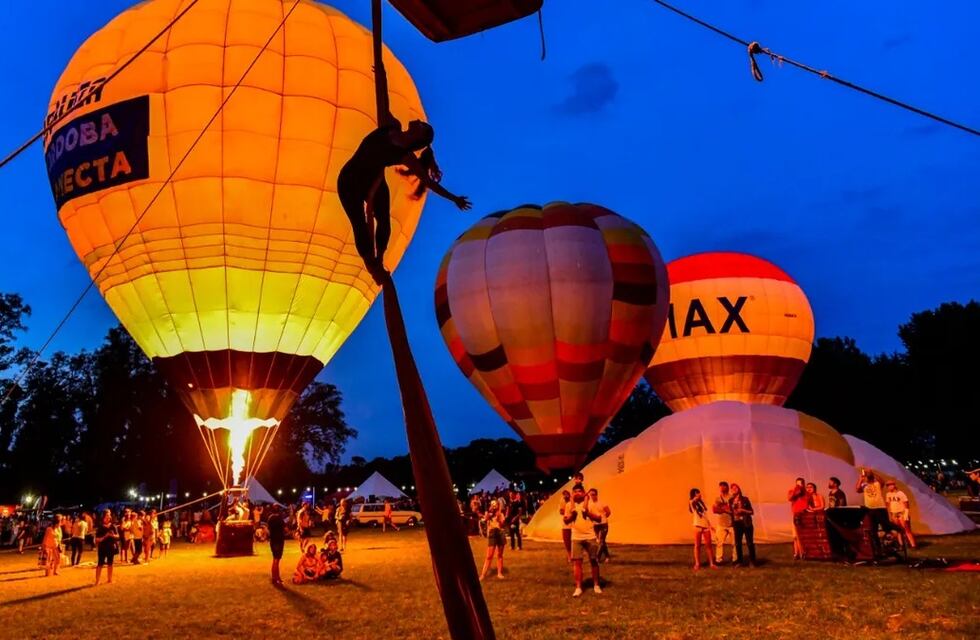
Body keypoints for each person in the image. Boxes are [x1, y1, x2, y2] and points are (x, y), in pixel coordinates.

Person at [337, 103, 470, 284]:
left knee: (384, 218)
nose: (419, 121)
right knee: (359, 223)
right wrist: (381, 74)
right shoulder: (391, 126)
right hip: (350, 180)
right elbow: (383, 100)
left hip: (373, 181)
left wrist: (454, 198)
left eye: (423, 125)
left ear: (419, 136)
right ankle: (370, 262)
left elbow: (428, 182)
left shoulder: (406, 156)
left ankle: (379, 259)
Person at [565, 484, 603, 597]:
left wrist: (588, 513)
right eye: (575, 491)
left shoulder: (590, 504)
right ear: (572, 494)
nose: (577, 493)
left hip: (590, 535)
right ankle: (578, 588)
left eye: (579, 491)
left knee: (593, 561)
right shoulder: (569, 505)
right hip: (576, 537)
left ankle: (596, 585)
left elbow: (599, 518)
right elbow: (566, 521)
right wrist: (573, 516)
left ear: (583, 493)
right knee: (577, 563)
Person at [855, 469, 892, 553]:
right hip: (870, 509)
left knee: (886, 528)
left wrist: (873, 473)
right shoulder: (864, 485)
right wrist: (861, 478)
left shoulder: (877, 483)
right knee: (873, 529)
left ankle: (889, 546)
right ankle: (878, 548)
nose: (868, 477)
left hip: (880, 508)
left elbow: (882, 481)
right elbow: (857, 489)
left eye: (868, 476)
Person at [689, 488, 717, 570]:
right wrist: (695, 498)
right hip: (697, 525)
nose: (700, 495)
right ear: (694, 494)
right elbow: (692, 503)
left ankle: (712, 563)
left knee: (709, 545)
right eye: (698, 493)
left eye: (699, 493)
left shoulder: (701, 503)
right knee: (697, 545)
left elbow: (705, 515)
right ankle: (697, 564)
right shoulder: (692, 502)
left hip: (705, 526)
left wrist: (710, 525)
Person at [729, 483, 756, 567]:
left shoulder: (745, 499)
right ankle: (739, 562)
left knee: (749, 543)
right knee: (738, 543)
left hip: (746, 523)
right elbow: (730, 512)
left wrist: (743, 510)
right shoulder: (731, 500)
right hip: (737, 524)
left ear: (739, 489)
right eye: (732, 488)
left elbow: (752, 512)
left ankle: (752, 561)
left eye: (735, 487)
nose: (734, 489)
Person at [479, 499, 507, 580]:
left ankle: (499, 573)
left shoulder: (500, 514)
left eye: (495, 504)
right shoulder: (488, 513)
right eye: (492, 504)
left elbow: (502, 525)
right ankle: (483, 575)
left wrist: (498, 517)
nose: (494, 506)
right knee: (489, 556)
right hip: (492, 534)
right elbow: (485, 520)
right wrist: (488, 513)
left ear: (498, 505)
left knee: (499, 555)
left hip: (500, 533)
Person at [885, 480, 916, 549]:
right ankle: (901, 545)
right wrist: (890, 514)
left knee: (907, 529)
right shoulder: (888, 494)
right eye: (887, 485)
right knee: (898, 530)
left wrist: (906, 514)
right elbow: (888, 504)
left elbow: (906, 504)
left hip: (901, 513)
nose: (889, 487)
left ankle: (913, 545)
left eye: (890, 485)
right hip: (894, 514)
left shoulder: (900, 493)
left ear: (894, 485)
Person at [712, 481, 735, 566]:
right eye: (720, 487)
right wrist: (725, 509)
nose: (721, 488)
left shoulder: (731, 497)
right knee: (719, 542)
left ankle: (735, 559)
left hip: (732, 524)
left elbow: (733, 510)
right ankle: (718, 560)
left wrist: (725, 509)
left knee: (734, 543)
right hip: (721, 524)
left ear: (727, 487)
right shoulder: (718, 498)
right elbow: (714, 510)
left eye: (723, 486)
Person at [94, 510, 119, 585]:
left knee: (110, 563)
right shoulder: (100, 527)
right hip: (102, 547)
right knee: (100, 564)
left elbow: (118, 536)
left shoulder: (113, 526)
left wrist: (112, 535)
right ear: (104, 517)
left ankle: (109, 579)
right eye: (107, 515)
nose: (109, 517)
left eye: (109, 515)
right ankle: (97, 581)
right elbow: (97, 539)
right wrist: (105, 536)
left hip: (111, 547)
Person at [588, 488, 612, 563]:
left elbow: (608, 512)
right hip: (596, 525)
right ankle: (607, 556)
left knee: (601, 541)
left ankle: (597, 557)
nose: (592, 496)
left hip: (603, 524)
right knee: (602, 542)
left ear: (596, 495)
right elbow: (589, 515)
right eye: (591, 495)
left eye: (593, 494)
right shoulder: (589, 504)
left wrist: (603, 518)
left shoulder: (602, 502)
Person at [787, 477, 808, 559]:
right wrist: (797, 490)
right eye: (798, 484)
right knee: (795, 536)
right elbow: (790, 498)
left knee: (802, 535)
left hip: (804, 514)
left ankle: (802, 553)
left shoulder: (806, 493)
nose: (799, 485)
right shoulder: (792, 492)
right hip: (795, 514)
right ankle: (797, 553)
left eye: (801, 484)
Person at [267, 504, 286, 586]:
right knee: (276, 560)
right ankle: (276, 578)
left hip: (273, 540)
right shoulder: (279, 518)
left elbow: (268, 529)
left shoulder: (270, 518)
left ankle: (275, 577)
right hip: (279, 540)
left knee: (275, 559)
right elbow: (285, 528)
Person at [558, 490, 573, 562]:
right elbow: (561, 511)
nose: (565, 496)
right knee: (566, 540)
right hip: (566, 523)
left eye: (567, 495)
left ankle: (573, 554)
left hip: (573, 523)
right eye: (564, 495)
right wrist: (566, 511)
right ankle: (569, 555)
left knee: (573, 540)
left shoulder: (572, 501)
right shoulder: (562, 501)